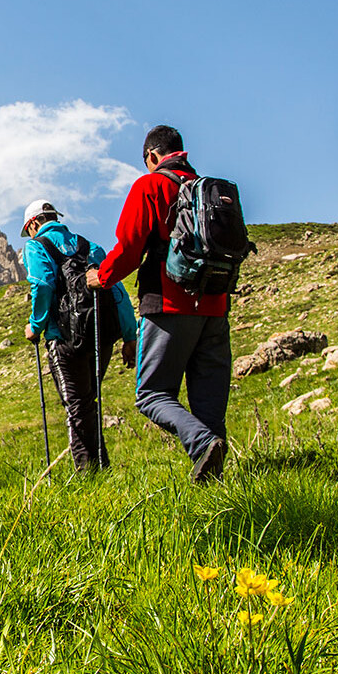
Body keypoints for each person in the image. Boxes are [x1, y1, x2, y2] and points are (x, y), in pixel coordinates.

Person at [87, 125, 233, 482]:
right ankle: (215, 487)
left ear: (152, 156)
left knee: (151, 394)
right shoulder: (206, 189)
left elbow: (130, 247)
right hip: (214, 305)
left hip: (168, 304)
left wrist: (101, 277)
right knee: (208, 404)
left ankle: (201, 444)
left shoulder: (150, 185)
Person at [21, 198, 137, 470]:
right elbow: (116, 290)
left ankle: (87, 474)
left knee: (76, 405)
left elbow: (42, 285)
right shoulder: (90, 247)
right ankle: (101, 467)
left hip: (63, 338)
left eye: (28, 229)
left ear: (33, 223)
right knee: (88, 402)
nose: (29, 234)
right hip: (100, 335)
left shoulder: (36, 246)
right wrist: (130, 336)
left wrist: (35, 326)